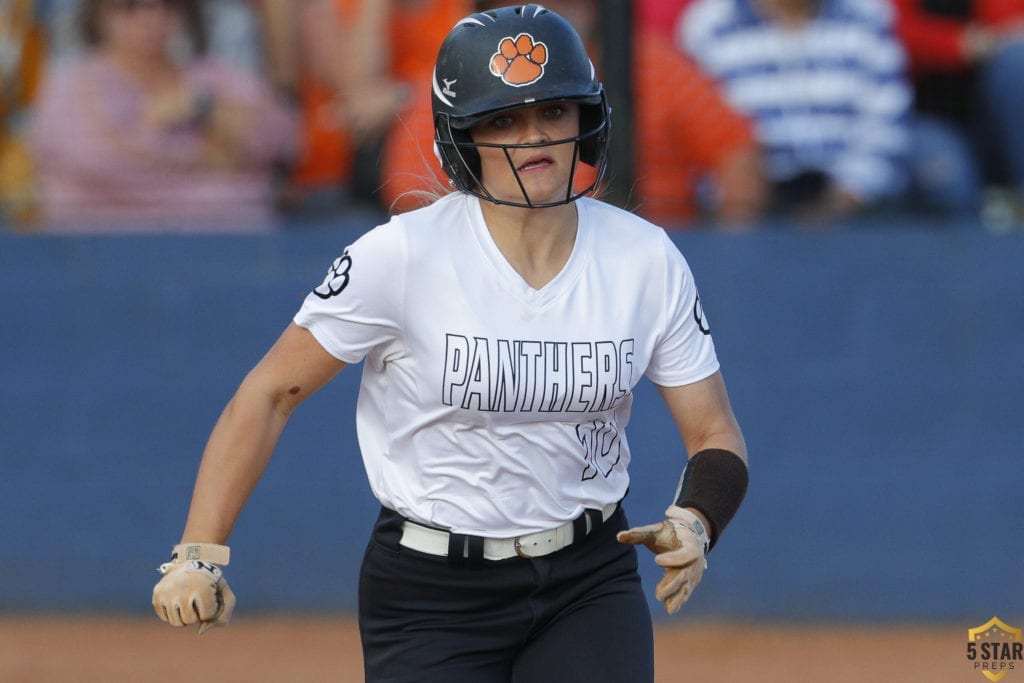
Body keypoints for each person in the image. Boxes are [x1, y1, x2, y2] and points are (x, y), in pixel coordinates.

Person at [151, 6, 749, 681]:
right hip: (430, 593)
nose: (535, 136)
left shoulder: (645, 258)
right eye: (503, 120)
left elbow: (715, 432)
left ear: (586, 120)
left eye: (554, 111)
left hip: (588, 577)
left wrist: (699, 519)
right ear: (460, 140)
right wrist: (200, 548)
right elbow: (269, 393)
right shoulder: (402, 257)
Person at [486, 0, 766, 228]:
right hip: (522, 251)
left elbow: (737, 152)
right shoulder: (476, 79)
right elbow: (447, 184)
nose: (549, 11)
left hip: (660, 240)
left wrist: (727, 253)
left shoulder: (652, 62)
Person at [29, 0, 297, 233]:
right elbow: (101, 159)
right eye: (130, 4)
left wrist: (203, 107)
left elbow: (281, 137)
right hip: (94, 267)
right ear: (99, 12)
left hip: (224, 259)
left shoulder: (210, 78)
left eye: (168, 2)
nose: (151, 17)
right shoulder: (71, 86)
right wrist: (215, 154)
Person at [679, 0, 912, 227]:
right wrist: (742, 203)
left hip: (855, 209)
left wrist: (845, 197)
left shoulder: (867, 13)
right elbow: (695, 130)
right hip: (750, 208)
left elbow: (888, 123)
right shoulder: (709, 24)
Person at [892, 0, 1024, 223]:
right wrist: (958, 44)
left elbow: (1011, 31)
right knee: (949, 185)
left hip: (993, 127)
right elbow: (888, 35)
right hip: (925, 121)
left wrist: (992, 41)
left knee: (1017, 61)